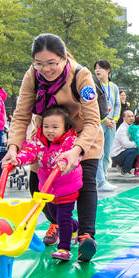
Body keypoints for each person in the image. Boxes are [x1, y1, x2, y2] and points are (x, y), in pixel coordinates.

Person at [3, 33, 103, 262]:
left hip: (80, 137)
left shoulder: (81, 75)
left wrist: (76, 151)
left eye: (51, 63)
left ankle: (86, 235)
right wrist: (13, 148)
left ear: (64, 57)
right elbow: (20, 116)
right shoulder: (33, 76)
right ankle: (59, 223)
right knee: (38, 187)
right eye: (39, 64)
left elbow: (92, 121)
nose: (45, 69)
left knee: (85, 183)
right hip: (45, 140)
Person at [15, 105, 82, 260]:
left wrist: (64, 161)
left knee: (62, 218)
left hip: (67, 188)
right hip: (47, 189)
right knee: (53, 216)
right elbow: (30, 152)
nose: (50, 130)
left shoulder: (70, 142)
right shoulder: (39, 141)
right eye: (46, 126)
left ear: (65, 127)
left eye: (55, 127)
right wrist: (18, 159)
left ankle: (64, 248)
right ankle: (75, 227)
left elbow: (74, 156)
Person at [94, 60, 121, 192]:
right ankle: (100, 180)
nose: (97, 70)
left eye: (101, 68)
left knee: (107, 153)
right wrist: (104, 119)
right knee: (99, 152)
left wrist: (114, 119)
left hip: (112, 123)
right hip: (99, 122)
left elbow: (117, 104)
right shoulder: (94, 85)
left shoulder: (114, 87)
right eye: (96, 68)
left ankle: (103, 177)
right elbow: (94, 105)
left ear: (108, 70)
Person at [111, 109, 138, 175]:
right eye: (129, 116)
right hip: (117, 155)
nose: (131, 118)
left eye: (132, 116)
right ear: (124, 118)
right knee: (133, 151)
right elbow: (127, 145)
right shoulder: (122, 129)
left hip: (124, 152)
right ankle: (125, 171)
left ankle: (122, 166)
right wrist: (138, 144)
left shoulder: (132, 127)